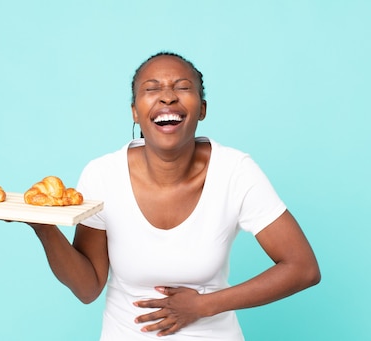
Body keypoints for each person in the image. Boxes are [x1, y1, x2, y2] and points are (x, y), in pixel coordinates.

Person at [27, 52, 321, 340]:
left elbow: (303, 268)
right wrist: (45, 229)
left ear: (202, 109)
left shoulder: (235, 171)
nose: (167, 97)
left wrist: (203, 305)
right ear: (135, 111)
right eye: (151, 89)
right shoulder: (103, 174)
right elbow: (88, 288)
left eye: (182, 87)